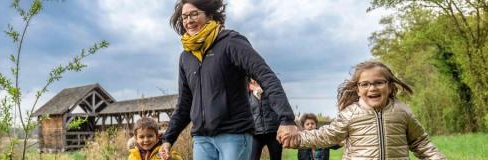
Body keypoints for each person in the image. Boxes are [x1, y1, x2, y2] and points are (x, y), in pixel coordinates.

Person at [160, 0, 299, 159]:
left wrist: (286, 119)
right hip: (201, 139)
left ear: (210, 15)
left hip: (234, 135)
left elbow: (266, 76)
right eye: (184, 17)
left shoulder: (231, 42)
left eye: (194, 14)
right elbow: (185, 102)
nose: (188, 20)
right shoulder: (186, 57)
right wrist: (168, 139)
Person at [284, 61, 446, 159]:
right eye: (365, 84)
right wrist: (297, 139)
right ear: (358, 89)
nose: (372, 88)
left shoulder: (402, 112)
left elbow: (421, 142)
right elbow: (325, 136)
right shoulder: (350, 114)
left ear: (389, 86)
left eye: (378, 82)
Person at [248, 79, 283, 160]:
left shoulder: (272, 88)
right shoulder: (246, 92)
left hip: (274, 132)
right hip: (255, 134)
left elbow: (280, 107)